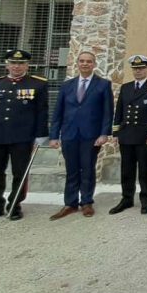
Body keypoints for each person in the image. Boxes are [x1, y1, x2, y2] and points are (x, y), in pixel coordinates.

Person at [0, 49, 48, 222]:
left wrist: (41, 134)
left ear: (27, 65)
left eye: (21, 63)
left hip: (22, 136)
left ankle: (14, 205)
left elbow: (42, 111)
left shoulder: (38, 84)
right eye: (13, 63)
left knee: (20, 172)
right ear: (7, 65)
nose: (17, 66)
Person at [49, 51, 113, 220]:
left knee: (87, 169)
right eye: (82, 61)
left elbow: (107, 112)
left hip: (91, 136)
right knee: (71, 170)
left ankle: (86, 202)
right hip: (69, 134)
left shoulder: (103, 85)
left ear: (94, 64)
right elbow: (58, 112)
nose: (85, 64)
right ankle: (70, 203)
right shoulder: (67, 85)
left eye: (89, 61)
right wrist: (54, 135)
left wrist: (104, 133)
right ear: (77, 63)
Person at [110, 55, 147, 215]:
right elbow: (119, 111)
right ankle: (126, 198)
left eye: (141, 68)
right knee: (126, 170)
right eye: (135, 69)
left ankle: (145, 199)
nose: (138, 71)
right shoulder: (126, 87)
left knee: (144, 170)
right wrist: (115, 132)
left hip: (144, 137)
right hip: (126, 134)